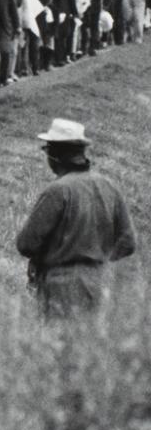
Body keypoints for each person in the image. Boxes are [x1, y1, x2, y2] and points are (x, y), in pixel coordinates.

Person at [16, 118, 136, 319]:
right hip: (99, 281)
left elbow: (26, 244)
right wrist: (97, 257)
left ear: (55, 155)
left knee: (59, 345)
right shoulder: (108, 186)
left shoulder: (57, 191)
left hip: (61, 285)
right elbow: (128, 243)